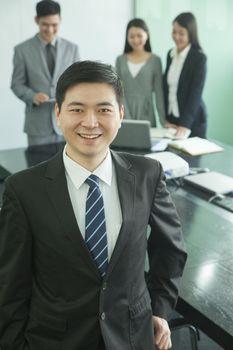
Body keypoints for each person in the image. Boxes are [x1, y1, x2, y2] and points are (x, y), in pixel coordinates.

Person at [0, 60, 187, 350]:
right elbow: (10, 288)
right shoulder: (23, 190)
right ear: (58, 114)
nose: (90, 122)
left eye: (103, 109)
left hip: (132, 337)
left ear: (121, 114)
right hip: (53, 341)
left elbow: (170, 249)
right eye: (77, 109)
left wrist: (160, 309)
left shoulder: (148, 175)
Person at [11, 0, 80, 146]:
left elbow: (78, 81)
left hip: (67, 123)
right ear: (36, 20)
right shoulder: (22, 50)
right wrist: (32, 96)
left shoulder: (72, 48)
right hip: (37, 126)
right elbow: (16, 84)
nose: (49, 30)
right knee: (38, 168)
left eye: (54, 25)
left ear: (60, 20)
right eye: (45, 25)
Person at [163, 12, 207, 138]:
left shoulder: (199, 58)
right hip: (173, 120)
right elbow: (168, 89)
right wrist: (167, 118)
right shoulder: (170, 55)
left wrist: (185, 124)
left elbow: (195, 93)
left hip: (192, 122)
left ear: (190, 34)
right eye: (174, 32)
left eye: (181, 33)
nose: (176, 36)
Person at [115, 18, 165, 127]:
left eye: (139, 35)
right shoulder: (120, 60)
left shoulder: (155, 60)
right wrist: (124, 114)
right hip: (124, 113)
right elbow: (118, 91)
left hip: (147, 114)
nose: (136, 40)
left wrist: (164, 121)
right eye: (132, 36)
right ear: (127, 37)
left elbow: (159, 93)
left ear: (147, 35)